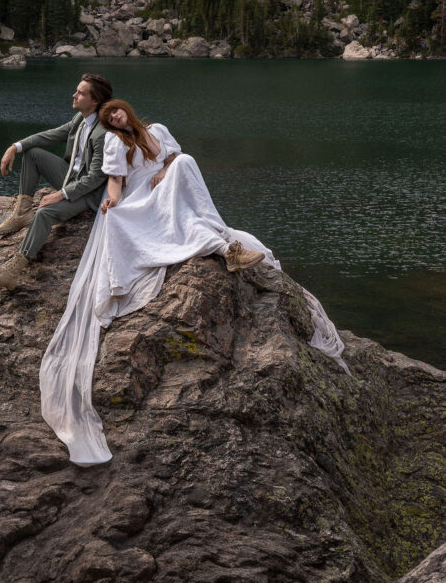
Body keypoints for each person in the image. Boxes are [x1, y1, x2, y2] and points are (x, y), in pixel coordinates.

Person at [40, 99, 349, 467]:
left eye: (117, 113)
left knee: (185, 163)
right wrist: (112, 202)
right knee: (133, 212)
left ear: (127, 110)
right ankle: (222, 245)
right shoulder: (115, 144)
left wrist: (164, 169)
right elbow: (116, 181)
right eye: (109, 119)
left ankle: (219, 237)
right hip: (140, 196)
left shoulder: (156, 132)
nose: (115, 119)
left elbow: (172, 158)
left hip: (165, 184)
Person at [0, 72, 113, 292]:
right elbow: (52, 135)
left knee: (44, 212)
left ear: (95, 101)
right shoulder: (81, 118)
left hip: (90, 193)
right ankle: (22, 213)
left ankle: (12, 272)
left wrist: (61, 194)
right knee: (32, 153)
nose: (74, 95)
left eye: (80, 93)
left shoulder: (103, 132)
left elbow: (95, 178)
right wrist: (15, 147)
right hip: (71, 176)